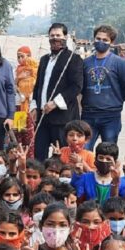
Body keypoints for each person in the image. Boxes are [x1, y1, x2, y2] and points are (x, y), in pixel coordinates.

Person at [31, 23, 84, 161]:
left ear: (65, 37)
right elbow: (38, 86)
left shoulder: (73, 59)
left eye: (58, 36)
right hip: (43, 117)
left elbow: (76, 87)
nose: (55, 38)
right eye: (52, 36)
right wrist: (34, 106)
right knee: (39, 155)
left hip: (63, 118)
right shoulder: (44, 60)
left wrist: (55, 103)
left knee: (62, 156)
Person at [81, 25, 125, 150]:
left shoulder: (119, 63)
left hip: (111, 116)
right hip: (88, 114)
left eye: (105, 40)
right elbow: (80, 88)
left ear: (112, 42)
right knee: (83, 151)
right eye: (98, 38)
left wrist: (116, 100)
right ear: (93, 39)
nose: (101, 42)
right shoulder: (85, 63)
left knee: (108, 152)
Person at [14, 46, 38, 152]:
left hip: (30, 106)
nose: (20, 59)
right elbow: (13, 86)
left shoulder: (35, 69)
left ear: (29, 56)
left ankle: (29, 158)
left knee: (30, 134)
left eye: (22, 56)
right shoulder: (17, 70)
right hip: (19, 105)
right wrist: (19, 78)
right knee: (19, 132)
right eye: (18, 57)